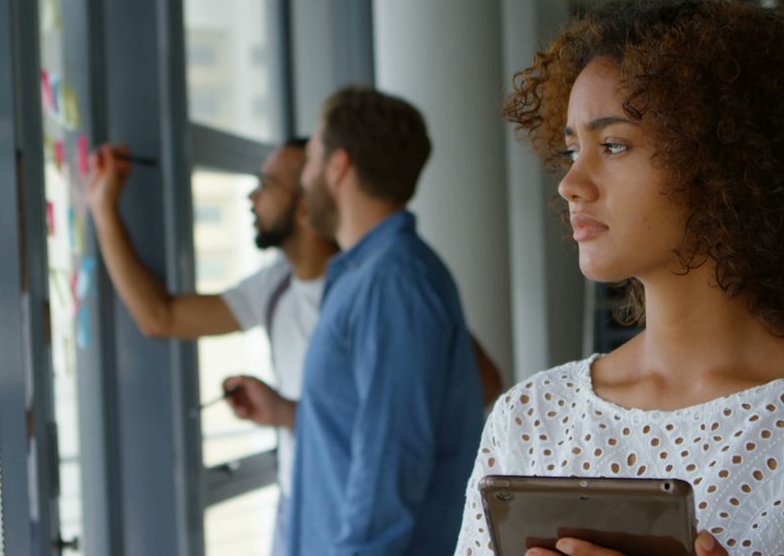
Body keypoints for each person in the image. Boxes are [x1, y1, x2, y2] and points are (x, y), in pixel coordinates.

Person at [456, 0, 784, 556]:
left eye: (613, 145)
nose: (572, 183)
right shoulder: (529, 419)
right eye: (572, 149)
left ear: (728, 165)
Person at [87, 138, 501, 556]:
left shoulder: (383, 290)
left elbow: (478, 387)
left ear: (307, 205)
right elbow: (161, 317)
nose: (252, 196)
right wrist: (103, 211)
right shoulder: (276, 285)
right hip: (300, 509)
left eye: (267, 185)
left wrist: (289, 412)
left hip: (359, 520)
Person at [252, 86, 485, 555]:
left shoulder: (393, 283)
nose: (305, 180)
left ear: (339, 166)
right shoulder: (366, 276)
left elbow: (391, 465)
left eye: (312, 159)